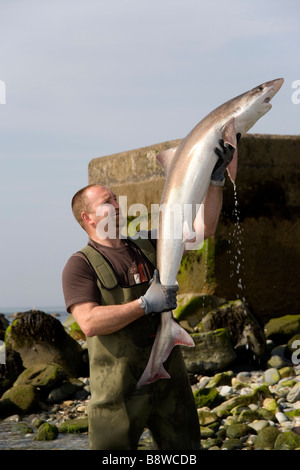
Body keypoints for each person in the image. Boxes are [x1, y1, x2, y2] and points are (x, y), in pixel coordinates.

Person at [62, 139, 238, 450]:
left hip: (169, 378)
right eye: (107, 202)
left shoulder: (148, 244)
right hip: (118, 389)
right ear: (88, 218)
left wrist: (215, 180)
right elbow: (88, 322)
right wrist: (144, 304)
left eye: (116, 199)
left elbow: (203, 228)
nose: (117, 205)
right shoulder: (80, 266)